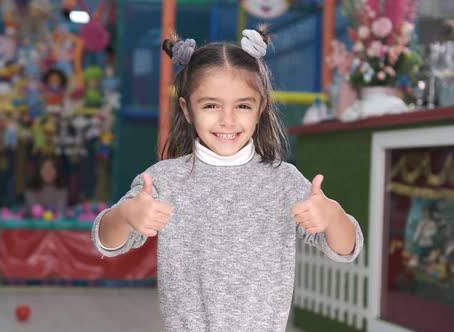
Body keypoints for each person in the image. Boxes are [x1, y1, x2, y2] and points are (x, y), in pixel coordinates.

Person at [91, 27, 363, 332]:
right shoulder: (163, 180)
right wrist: (126, 215)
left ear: (260, 109)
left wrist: (333, 215)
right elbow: (105, 241)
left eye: (243, 106)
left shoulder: (282, 181)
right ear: (188, 110)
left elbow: (346, 248)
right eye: (211, 105)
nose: (228, 120)